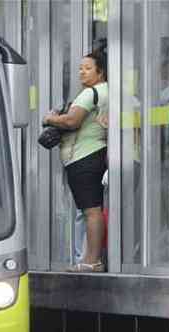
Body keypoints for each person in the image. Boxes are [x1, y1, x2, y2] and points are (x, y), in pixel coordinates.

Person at [43, 49, 108, 272]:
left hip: (84, 156)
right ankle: (90, 258)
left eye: (88, 68)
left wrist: (50, 118)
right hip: (95, 154)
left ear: (101, 72)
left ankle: (91, 261)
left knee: (91, 211)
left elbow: (72, 121)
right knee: (92, 210)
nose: (82, 72)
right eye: (80, 68)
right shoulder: (109, 92)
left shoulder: (91, 93)